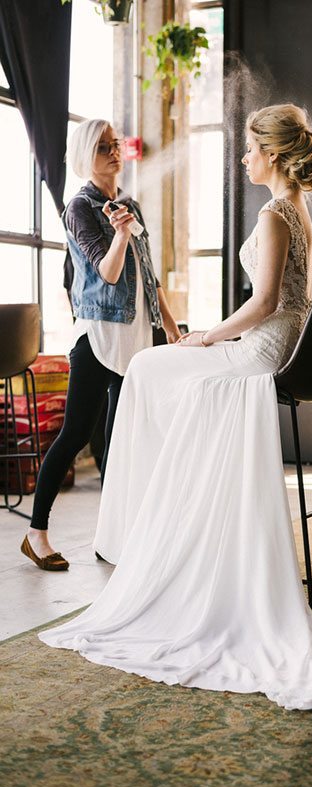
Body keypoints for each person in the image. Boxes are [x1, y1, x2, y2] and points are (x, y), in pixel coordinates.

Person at [40, 104, 312, 710]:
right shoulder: (296, 209)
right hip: (277, 346)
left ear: (272, 156)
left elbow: (268, 301)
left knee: (147, 366)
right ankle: (168, 504)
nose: (243, 158)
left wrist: (206, 336)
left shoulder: (276, 214)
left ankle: (158, 515)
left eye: (249, 150)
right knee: (152, 369)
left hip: (262, 350)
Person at [21, 119, 180, 572]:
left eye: (116, 145)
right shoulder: (80, 207)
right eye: (104, 147)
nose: (115, 152)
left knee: (121, 441)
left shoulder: (128, 205)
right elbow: (108, 273)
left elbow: (148, 277)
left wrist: (168, 325)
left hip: (135, 337)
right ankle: (36, 534)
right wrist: (122, 234)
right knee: (75, 435)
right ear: (85, 155)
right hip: (96, 338)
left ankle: (115, 536)